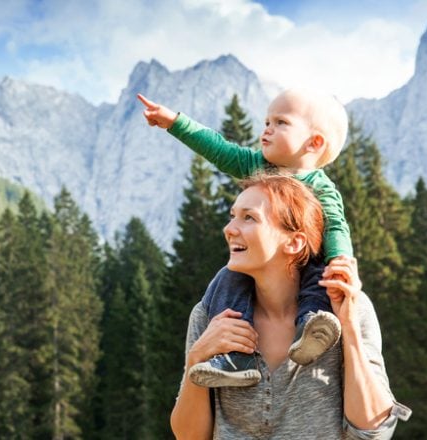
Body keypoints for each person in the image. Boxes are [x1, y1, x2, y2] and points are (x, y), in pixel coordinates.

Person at [170, 174, 411, 439]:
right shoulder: (210, 315)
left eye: (249, 217)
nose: (229, 228)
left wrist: (349, 328)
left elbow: (373, 431)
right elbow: (189, 437)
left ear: (294, 243)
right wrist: (197, 358)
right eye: (233, 215)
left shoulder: (347, 308)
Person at [138, 90, 351, 386]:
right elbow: (217, 148)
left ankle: (310, 330)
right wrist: (174, 122)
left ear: (314, 143)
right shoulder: (257, 166)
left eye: (281, 122)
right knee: (228, 281)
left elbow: (336, 227)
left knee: (318, 281)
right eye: (266, 121)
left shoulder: (321, 188)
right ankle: (236, 357)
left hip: (304, 262)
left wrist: (340, 259)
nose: (267, 128)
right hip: (257, 265)